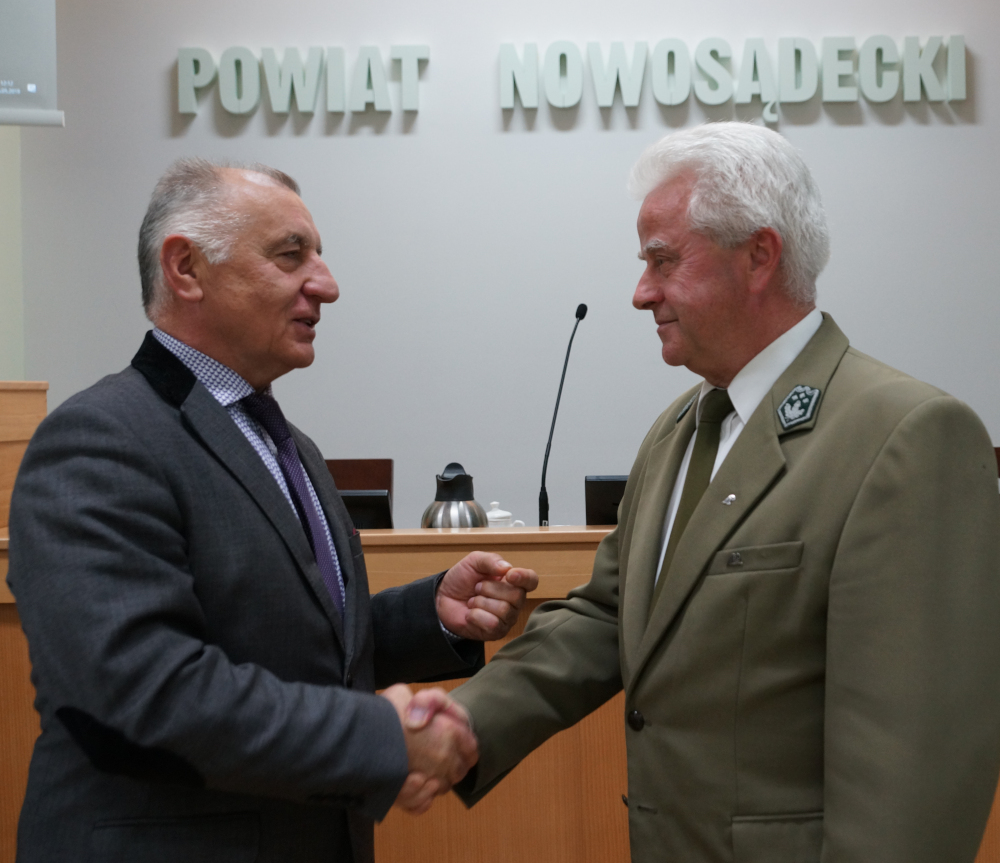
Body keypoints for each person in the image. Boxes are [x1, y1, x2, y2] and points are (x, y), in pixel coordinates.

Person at [432, 123, 1000, 862]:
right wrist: (457, 727)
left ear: (759, 255)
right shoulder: (681, 428)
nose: (641, 293)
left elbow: (914, 766)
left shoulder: (907, 435)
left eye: (663, 260)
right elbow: (611, 618)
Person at [7, 158, 536, 863]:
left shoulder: (287, 443)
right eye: (291, 255)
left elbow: (283, 642)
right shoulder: (97, 440)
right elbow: (139, 690)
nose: (327, 284)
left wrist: (429, 616)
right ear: (186, 268)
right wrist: (378, 737)